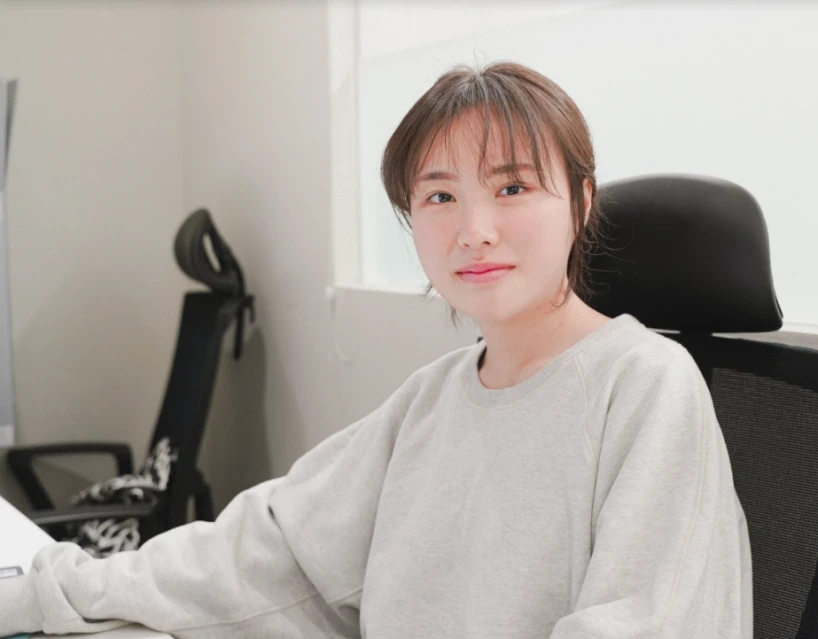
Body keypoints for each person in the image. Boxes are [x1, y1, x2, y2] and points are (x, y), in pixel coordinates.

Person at [0, 61, 752, 638]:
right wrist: (43, 592)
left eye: (513, 187)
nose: (475, 230)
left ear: (582, 204)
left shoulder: (646, 386)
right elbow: (260, 551)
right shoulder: (431, 399)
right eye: (440, 196)